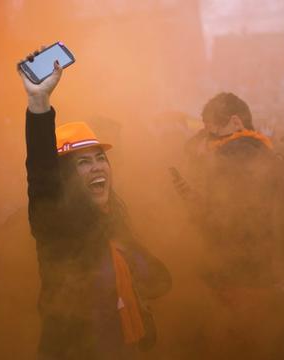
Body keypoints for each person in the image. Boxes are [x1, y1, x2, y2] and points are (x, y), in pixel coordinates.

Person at [18, 49, 171, 359]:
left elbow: (159, 281)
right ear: (67, 178)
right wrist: (38, 103)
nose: (98, 167)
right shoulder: (57, 226)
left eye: (101, 158)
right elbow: (42, 177)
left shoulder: (113, 223)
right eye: (83, 163)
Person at [175, 92, 284, 359]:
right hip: (268, 275)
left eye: (211, 131)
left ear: (235, 121)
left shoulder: (234, 152)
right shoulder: (270, 154)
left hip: (238, 276)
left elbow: (226, 221)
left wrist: (194, 204)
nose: (208, 140)